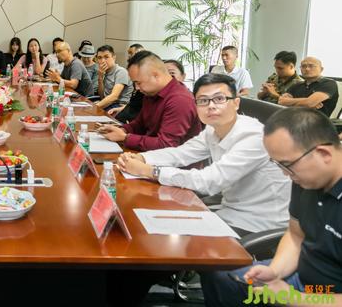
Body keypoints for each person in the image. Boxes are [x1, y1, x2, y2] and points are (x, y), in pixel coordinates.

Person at [200, 107, 342, 306]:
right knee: (219, 275)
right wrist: (275, 271)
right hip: (302, 275)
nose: (285, 174)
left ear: (324, 153)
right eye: (278, 164)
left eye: (287, 165)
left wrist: (294, 298)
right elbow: (295, 235)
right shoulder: (306, 179)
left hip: (326, 293)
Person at [117, 73, 290, 234]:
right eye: (203, 100)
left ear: (236, 103)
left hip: (258, 224)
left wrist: (150, 170)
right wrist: (142, 158)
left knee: (163, 238)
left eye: (219, 99)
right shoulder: (213, 129)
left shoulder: (254, 137)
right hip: (228, 211)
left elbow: (209, 181)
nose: (211, 106)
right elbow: (181, 153)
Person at [99, 51, 202, 151]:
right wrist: (122, 130)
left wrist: (125, 137)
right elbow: (139, 124)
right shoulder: (151, 93)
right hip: (152, 154)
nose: (137, 88)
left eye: (139, 83)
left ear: (155, 75)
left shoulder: (180, 100)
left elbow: (166, 145)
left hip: (174, 160)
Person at [94, 45, 134, 110]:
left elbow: (114, 97)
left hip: (118, 106)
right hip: (108, 104)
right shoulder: (103, 72)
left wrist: (94, 108)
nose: (103, 61)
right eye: (100, 58)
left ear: (114, 57)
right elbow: (102, 96)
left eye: (106, 57)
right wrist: (100, 78)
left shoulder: (121, 72)